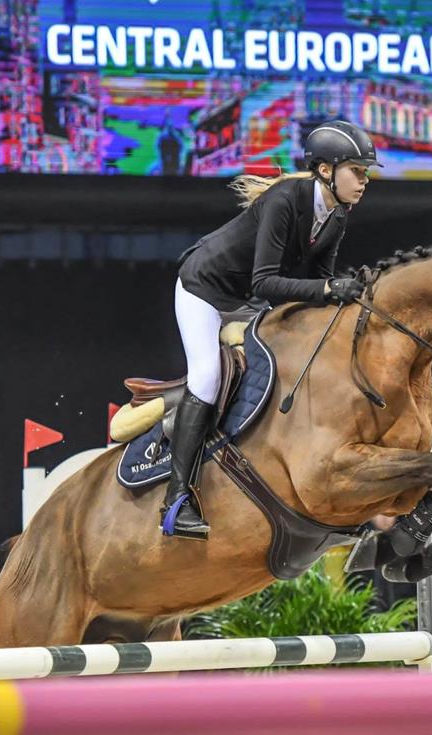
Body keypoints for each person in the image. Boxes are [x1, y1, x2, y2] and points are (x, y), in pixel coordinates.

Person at [161, 120, 382, 539]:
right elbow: (266, 282)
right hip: (204, 290)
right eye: (357, 170)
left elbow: (316, 283)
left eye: (365, 172)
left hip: (247, 301)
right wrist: (328, 289)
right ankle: (176, 499)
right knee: (206, 378)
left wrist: (341, 292)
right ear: (325, 170)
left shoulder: (337, 214)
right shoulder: (284, 200)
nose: (364, 180)